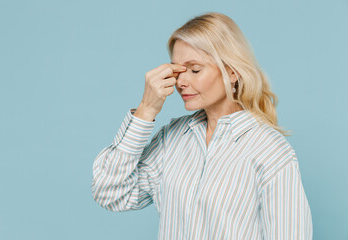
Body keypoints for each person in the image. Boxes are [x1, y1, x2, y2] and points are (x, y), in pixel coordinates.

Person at [91, 12, 313, 239]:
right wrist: (146, 110)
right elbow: (109, 193)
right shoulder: (173, 139)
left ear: (232, 72)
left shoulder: (270, 151)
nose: (181, 82)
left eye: (195, 69)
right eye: (177, 71)